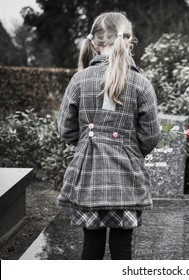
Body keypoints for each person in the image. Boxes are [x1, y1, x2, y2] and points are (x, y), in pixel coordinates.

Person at [57, 12, 160, 260]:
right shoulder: (140, 83)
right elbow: (151, 135)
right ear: (127, 40)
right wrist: (131, 150)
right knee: (122, 246)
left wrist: (87, 144)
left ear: (94, 42)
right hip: (126, 175)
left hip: (89, 174)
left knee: (91, 245)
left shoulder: (79, 80)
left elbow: (65, 128)